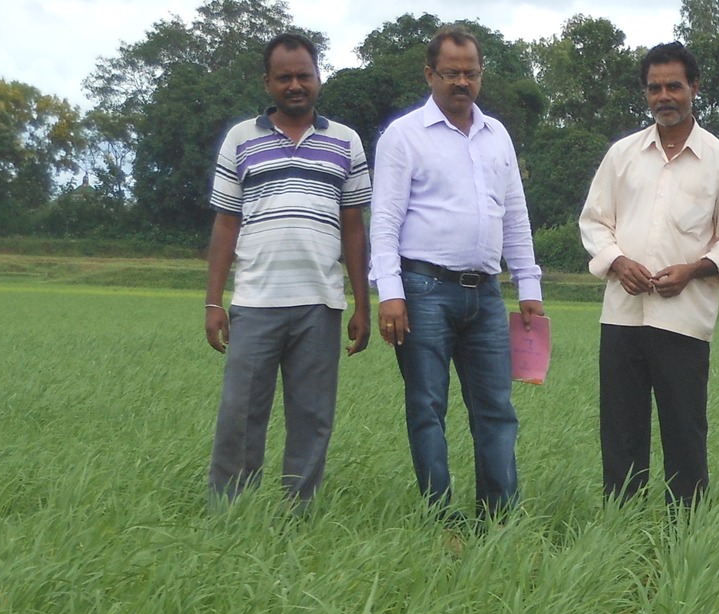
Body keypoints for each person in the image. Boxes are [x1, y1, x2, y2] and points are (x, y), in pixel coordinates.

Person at [370, 26, 545, 519]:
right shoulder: (404, 135)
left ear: (481, 75)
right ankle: (439, 517)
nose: (462, 82)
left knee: (496, 410)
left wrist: (528, 285)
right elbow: (384, 219)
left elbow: (515, 214)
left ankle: (499, 517)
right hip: (422, 289)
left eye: (471, 73)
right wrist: (390, 292)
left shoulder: (497, 135)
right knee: (427, 407)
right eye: (451, 73)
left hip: (485, 294)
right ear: (430, 74)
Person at [203, 32, 371, 507]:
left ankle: (298, 514)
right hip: (255, 301)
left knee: (312, 417)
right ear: (268, 83)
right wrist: (213, 302)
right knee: (240, 415)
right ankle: (230, 513)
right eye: (284, 78)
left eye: (304, 76)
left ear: (318, 78)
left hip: (320, 302)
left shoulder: (346, 141)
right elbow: (225, 223)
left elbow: (354, 226)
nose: (295, 85)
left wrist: (362, 304)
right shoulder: (241, 138)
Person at [579, 41, 719, 510]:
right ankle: (622, 522)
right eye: (654, 88)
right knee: (621, 431)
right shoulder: (622, 155)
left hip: (684, 319)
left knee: (685, 431)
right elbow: (594, 222)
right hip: (622, 315)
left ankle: (685, 532)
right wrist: (618, 262)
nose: (664, 96)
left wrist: (692, 270)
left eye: (674, 86)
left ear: (694, 87)